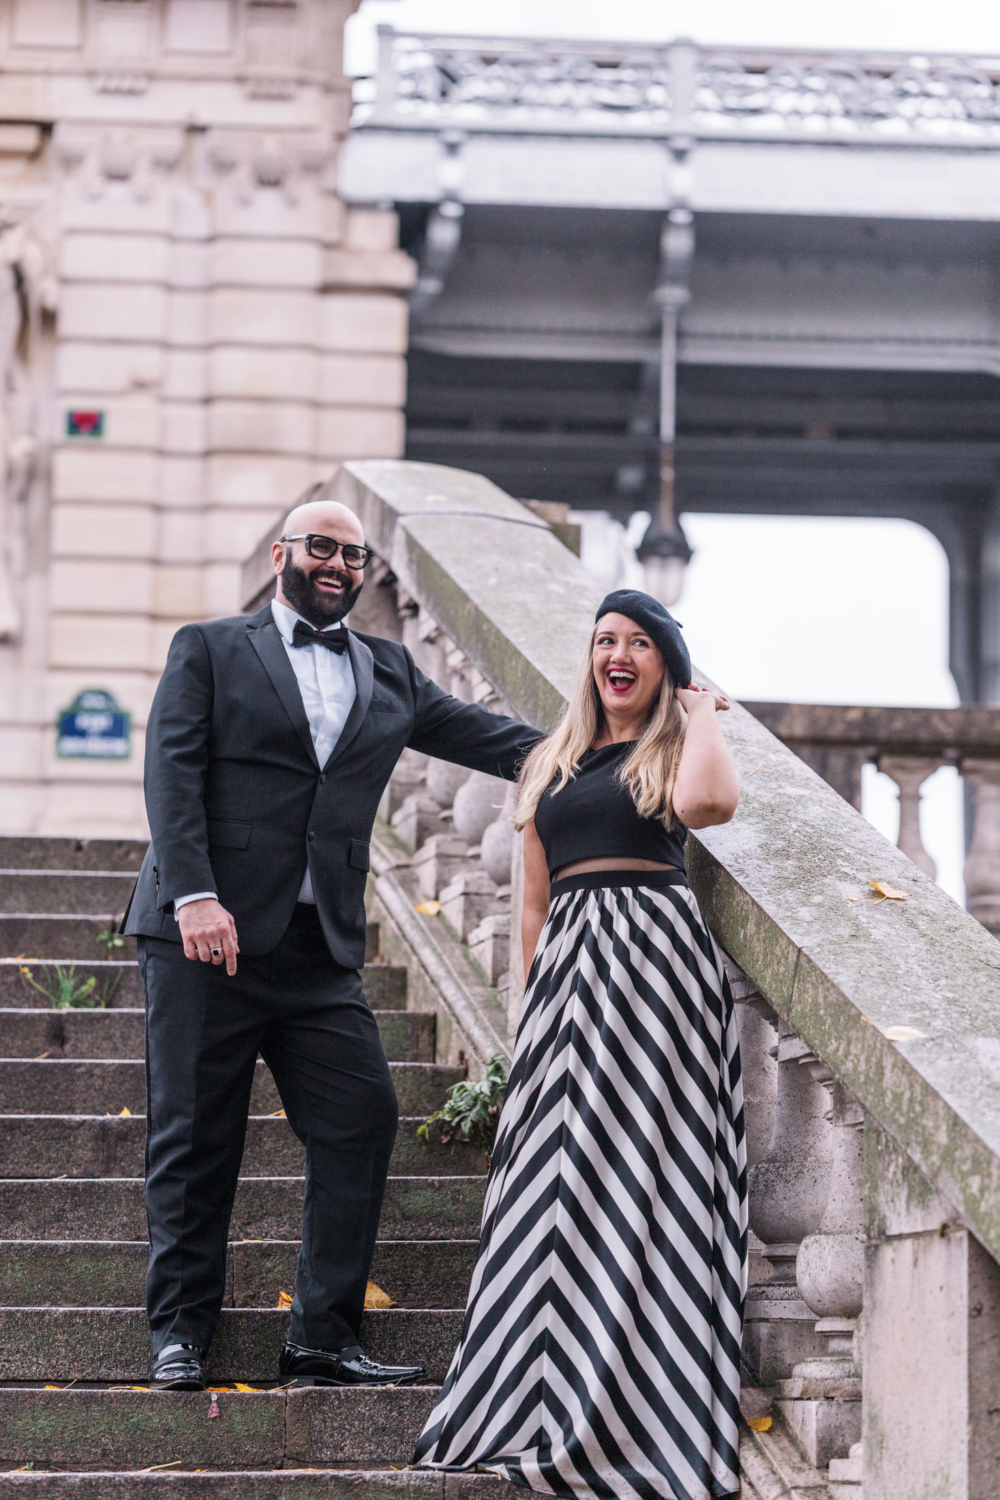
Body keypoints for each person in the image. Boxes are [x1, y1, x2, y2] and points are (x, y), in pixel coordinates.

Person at [123, 487, 542, 1392]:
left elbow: (487, 736)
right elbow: (172, 770)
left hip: (319, 946)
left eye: (354, 558)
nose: (339, 567)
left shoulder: (388, 669)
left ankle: (321, 1335)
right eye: (323, 549)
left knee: (361, 1120)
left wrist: (618, 744)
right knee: (195, 1137)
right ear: (282, 554)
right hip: (208, 934)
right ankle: (181, 1333)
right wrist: (194, 893)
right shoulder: (210, 647)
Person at [414, 589, 747, 1500]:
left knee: (648, 1171)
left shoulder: (674, 749)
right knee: (548, 1184)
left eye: (641, 642)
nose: (620, 653)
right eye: (607, 639)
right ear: (589, 658)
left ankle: (646, 1401)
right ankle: (536, 1392)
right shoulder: (551, 762)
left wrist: (703, 709)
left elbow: (712, 805)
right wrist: (536, 1013)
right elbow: (531, 901)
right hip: (569, 979)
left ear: (663, 664)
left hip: (656, 971)